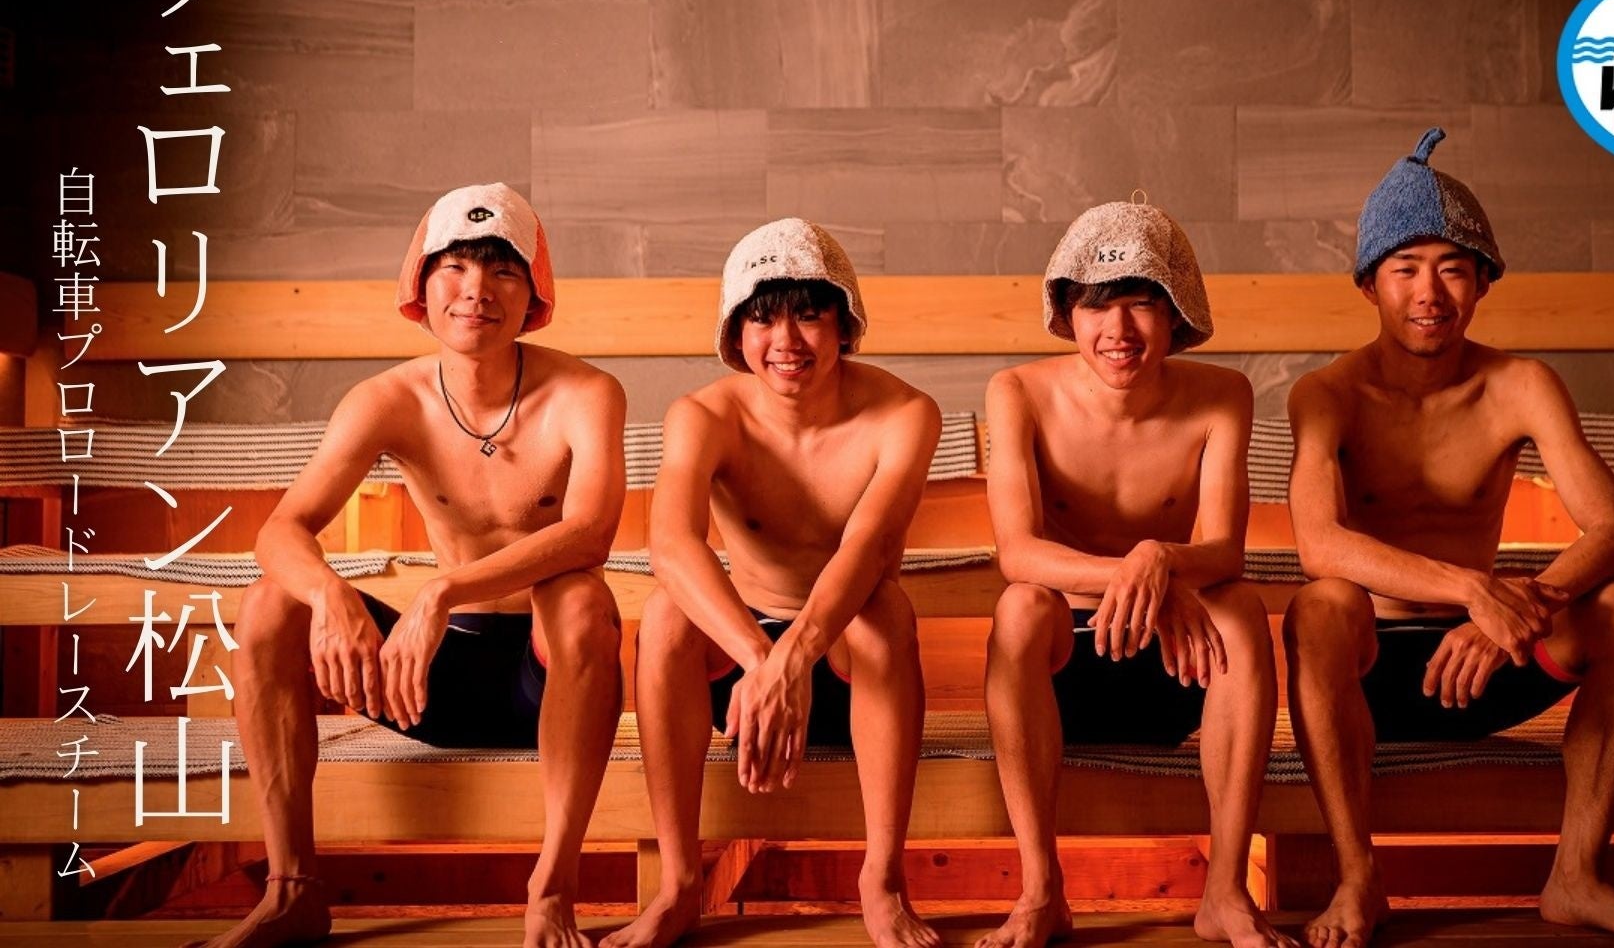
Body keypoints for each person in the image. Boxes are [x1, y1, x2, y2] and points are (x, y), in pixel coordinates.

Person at [199, 184, 628, 948]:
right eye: (454, 267)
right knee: (271, 603)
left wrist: (442, 591)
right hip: (426, 680)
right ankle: (293, 890)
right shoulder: (386, 400)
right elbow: (282, 530)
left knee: (581, 600)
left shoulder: (586, 392)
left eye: (502, 269)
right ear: (420, 288)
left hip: (546, 678)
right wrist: (331, 597)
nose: (476, 289)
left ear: (533, 294)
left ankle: (553, 888)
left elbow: (590, 533)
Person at [1283, 129, 1614, 948]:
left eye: (1453, 269)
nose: (1429, 292)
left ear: (1483, 282)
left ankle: (1577, 875)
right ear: (1368, 285)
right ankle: (1359, 880)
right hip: (1372, 670)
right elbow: (1320, 544)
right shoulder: (1327, 394)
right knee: (1318, 608)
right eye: (1405, 269)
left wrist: (1521, 607)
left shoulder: (1521, 384)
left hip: (1494, 660)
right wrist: (1472, 589)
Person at [609, 218, 943, 948]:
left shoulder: (905, 414)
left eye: (808, 314)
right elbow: (670, 544)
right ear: (736, 333)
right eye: (762, 317)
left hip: (850, 663)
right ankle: (679, 884)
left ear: (844, 324)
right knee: (665, 616)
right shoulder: (704, 415)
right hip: (745, 675)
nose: (786, 340)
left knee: (885, 609)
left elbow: (869, 548)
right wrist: (764, 662)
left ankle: (883, 879)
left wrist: (796, 657)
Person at [977, 200, 1292, 948]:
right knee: (1020, 607)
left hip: (1178, 668)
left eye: (1142, 303)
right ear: (1068, 313)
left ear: (1177, 313)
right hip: (1063, 676)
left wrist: (1163, 558)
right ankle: (1040, 890)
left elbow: (1225, 550)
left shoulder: (1222, 395)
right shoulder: (1018, 392)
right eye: (1096, 305)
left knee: (1242, 609)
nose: (1118, 330)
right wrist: (1144, 576)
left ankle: (1225, 893)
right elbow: (1017, 552)